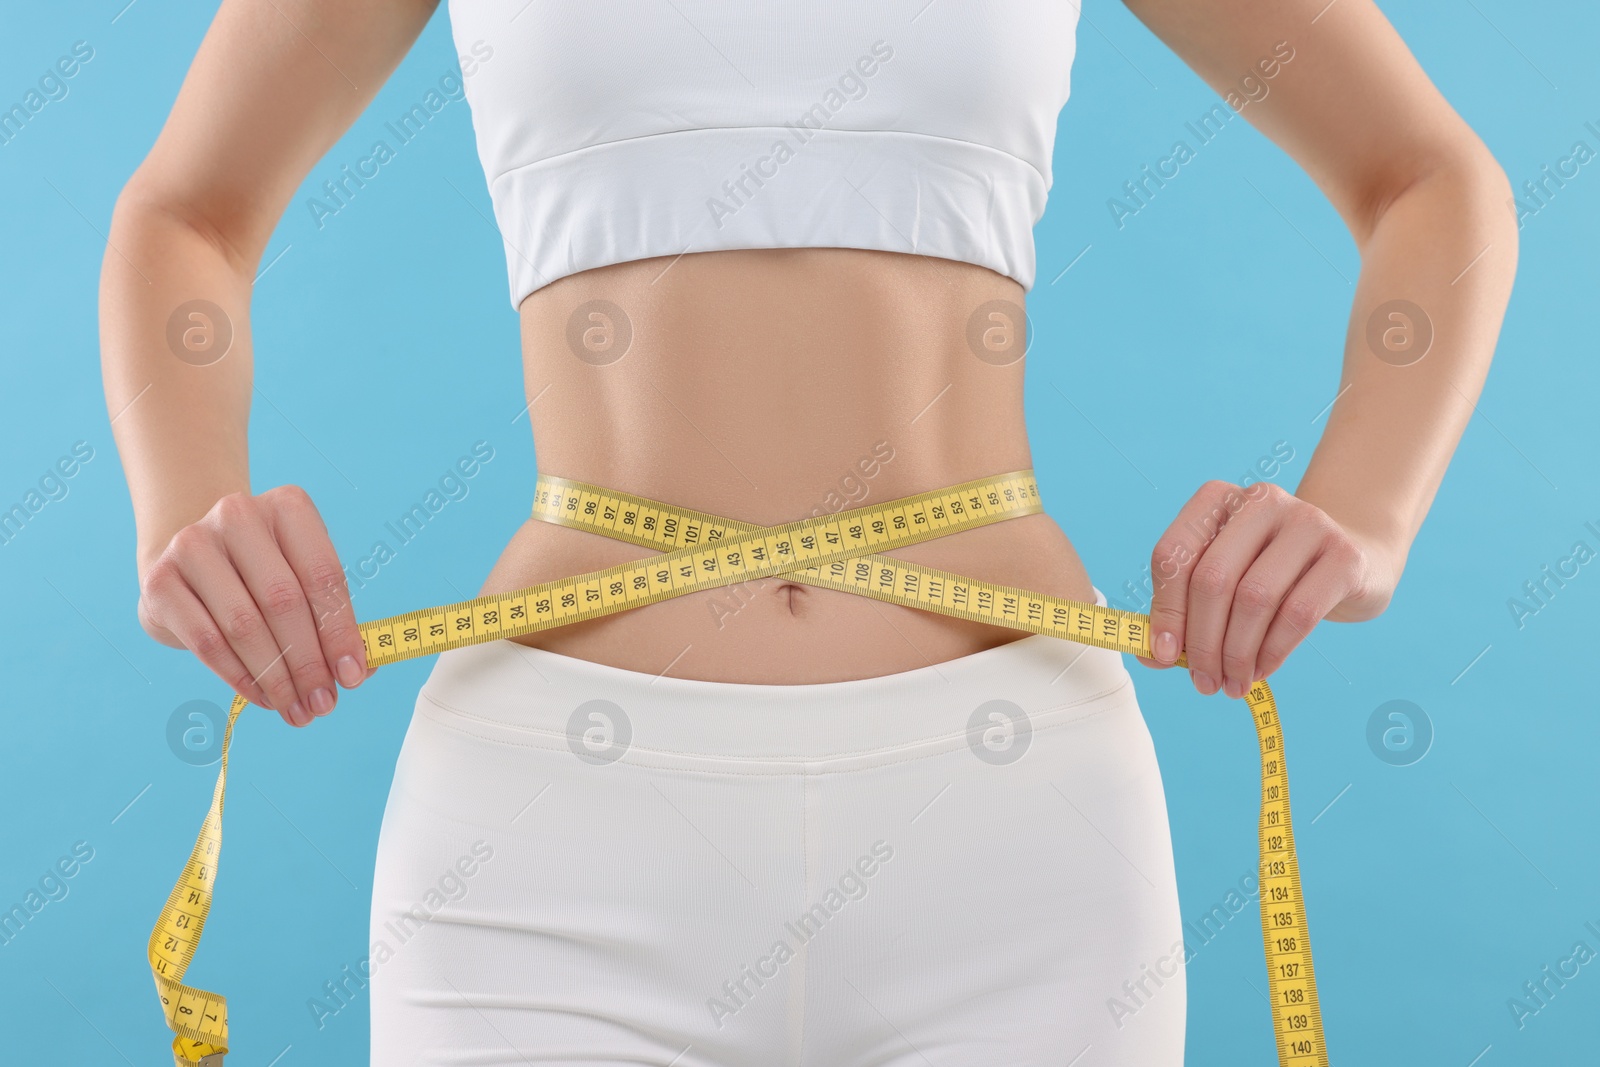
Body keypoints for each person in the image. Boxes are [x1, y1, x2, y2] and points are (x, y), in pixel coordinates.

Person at [100, 1, 1515, 1063]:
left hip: (1015, 832)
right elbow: (187, 212)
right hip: (548, 836)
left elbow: (1428, 176)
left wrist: (1365, 511)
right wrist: (185, 509)